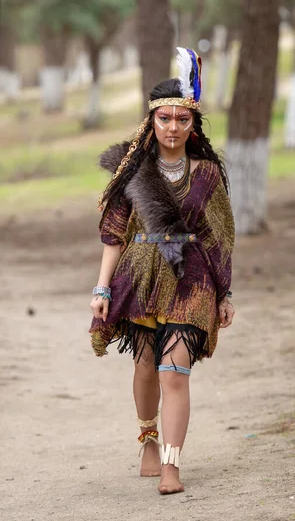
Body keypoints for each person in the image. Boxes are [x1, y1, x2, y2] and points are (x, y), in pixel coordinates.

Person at [89, 47, 235, 495]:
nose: (173, 127)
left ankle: (172, 466)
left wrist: (225, 293)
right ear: (151, 124)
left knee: (175, 371)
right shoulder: (135, 173)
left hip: (191, 278)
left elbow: (220, 237)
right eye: (164, 119)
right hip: (141, 275)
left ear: (194, 127)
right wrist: (101, 289)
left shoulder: (208, 174)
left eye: (182, 120)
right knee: (148, 365)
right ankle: (148, 440)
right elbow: (114, 234)